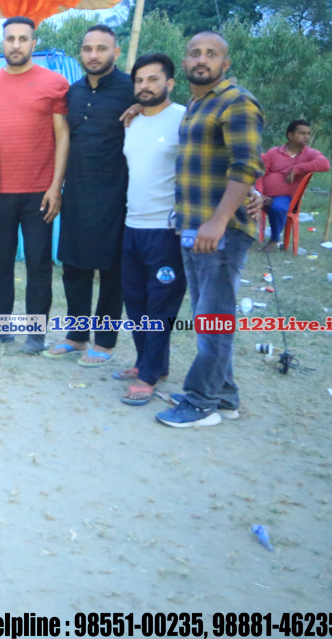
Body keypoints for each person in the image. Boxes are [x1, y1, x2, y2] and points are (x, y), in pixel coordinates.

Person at [156, 31, 264, 428]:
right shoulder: (198, 103)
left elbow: (246, 165)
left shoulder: (237, 101)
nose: (202, 59)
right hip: (194, 226)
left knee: (213, 318)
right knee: (208, 315)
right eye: (195, 53)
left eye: (211, 54)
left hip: (221, 231)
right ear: (185, 62)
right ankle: (225, 397)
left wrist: (218, 221)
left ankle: (201, 403)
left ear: (225, 62)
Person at [0, 16, 69, 354]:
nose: (16, 45)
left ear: (33, 43)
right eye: (10, 38)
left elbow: (62, 136)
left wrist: (56, 186)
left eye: (23, 39)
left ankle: (35, 333)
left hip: (39, 192)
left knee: (39, 264)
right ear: (2, 42)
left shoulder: (55, 83)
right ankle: (0, 327)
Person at [46, 25, 131, 365]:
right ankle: (77, 336)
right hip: (78, 189)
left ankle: (105, 342)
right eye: (87, 48)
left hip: (117, 192)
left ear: (116, 52)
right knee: (74, 265)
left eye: (101, 48)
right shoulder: (74, 92)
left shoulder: (131, 89)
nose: (93, 55)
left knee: (112, 270)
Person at [114, 53, 188, 405]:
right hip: (133, 225)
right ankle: (151, 362)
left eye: (153, 79)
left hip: (167, 230)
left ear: (169, 83)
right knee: (135, 300)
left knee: (161, 304)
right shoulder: (132, 120)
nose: (145, 86)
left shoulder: (184, 119)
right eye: (139, 80)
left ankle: (148, 376)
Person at [258, 118, 329, 250]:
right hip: (263, 195)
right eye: (302, 133)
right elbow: (260, 174)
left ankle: (274, 240)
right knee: (237, 200)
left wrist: (297, 168)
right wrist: (259, 194)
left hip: (286, 198)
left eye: (308, 133)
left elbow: (325, 164)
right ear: (290, 135)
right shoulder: (274, 152)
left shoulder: (311, 154)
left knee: (277, 207)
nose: (306, 137)